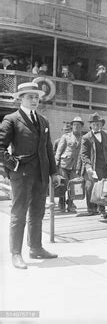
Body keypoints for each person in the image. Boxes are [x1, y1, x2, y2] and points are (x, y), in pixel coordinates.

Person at [0, 82, 61, 269]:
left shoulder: (43, 121)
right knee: (19, 214)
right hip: (22, 174)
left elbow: (48, 148)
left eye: (36, 97)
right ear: (21, 98)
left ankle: (36, 248)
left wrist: (54, 172)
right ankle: (16, 253)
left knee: (37, 212)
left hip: (41, 174)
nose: (34, 100)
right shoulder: (11, 119)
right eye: (30, 97)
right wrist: (13, 165)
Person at [80, 112, 107, 217]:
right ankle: (91, 209)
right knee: (90, 187)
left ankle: (102, 209)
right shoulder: (86, 137)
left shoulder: (106, 134)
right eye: (94, 124)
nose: (96, 126)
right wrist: (88, 167)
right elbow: (84, 155)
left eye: (98, 124)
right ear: (90, 125)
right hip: (93, 166)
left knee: (103, 188)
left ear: (101, 124)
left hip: (104, 166)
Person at [55, 116, 84, 213]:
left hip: (76, 166)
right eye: (74, 125)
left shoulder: (83, 138)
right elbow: (59, 151)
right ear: (72, 126)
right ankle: (62, 204)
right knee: (63, 185)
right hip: (64, 164)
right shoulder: (66, 137)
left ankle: (70, 204)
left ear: (81, 127)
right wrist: (56, 163)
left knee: (73, 185)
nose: (76, 127)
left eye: (78, 125)